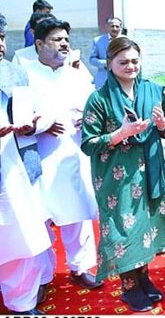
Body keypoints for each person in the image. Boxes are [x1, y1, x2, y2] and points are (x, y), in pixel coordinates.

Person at [80, 37, 165, 312]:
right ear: (110, 64)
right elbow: (88, 143)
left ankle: (144, 280)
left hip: (150, 168)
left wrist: (162, 125)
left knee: (144, 226)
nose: (130, 66)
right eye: (122, 62)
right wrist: (120, 133)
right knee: (123, 229)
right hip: (117, 176)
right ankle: (130, 287)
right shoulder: (98, 99)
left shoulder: (151, 90)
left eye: (135, 61)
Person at [22, 17, 102, 291]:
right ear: (39, 44)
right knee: (40, 217)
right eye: (57, 39)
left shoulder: (78, 75)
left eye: (66, 39)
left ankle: (80, 268)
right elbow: (17, 114)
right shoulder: (26, 74)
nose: (64, 44)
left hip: (74, 153)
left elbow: (95, 107)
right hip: (39, 156)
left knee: (77, 212)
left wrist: (89, 120)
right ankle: (43, 277)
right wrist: (40, 126)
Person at [0, 13, 53, 315]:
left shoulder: (15, 73)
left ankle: (20, 303)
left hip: (18, 166)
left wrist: (32, 126)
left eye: (2, 37)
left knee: (20, 235)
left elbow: (42, 113)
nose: (0, 44)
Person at [89, 17, 123, 89]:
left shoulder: (126, 40)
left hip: (121, 78)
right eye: (112, 26)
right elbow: (92, 59)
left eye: (117, 26)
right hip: (103, 79)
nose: (114, 29)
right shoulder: (98, 41)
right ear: (107, 27)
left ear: (120, 28)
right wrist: (105, 63)